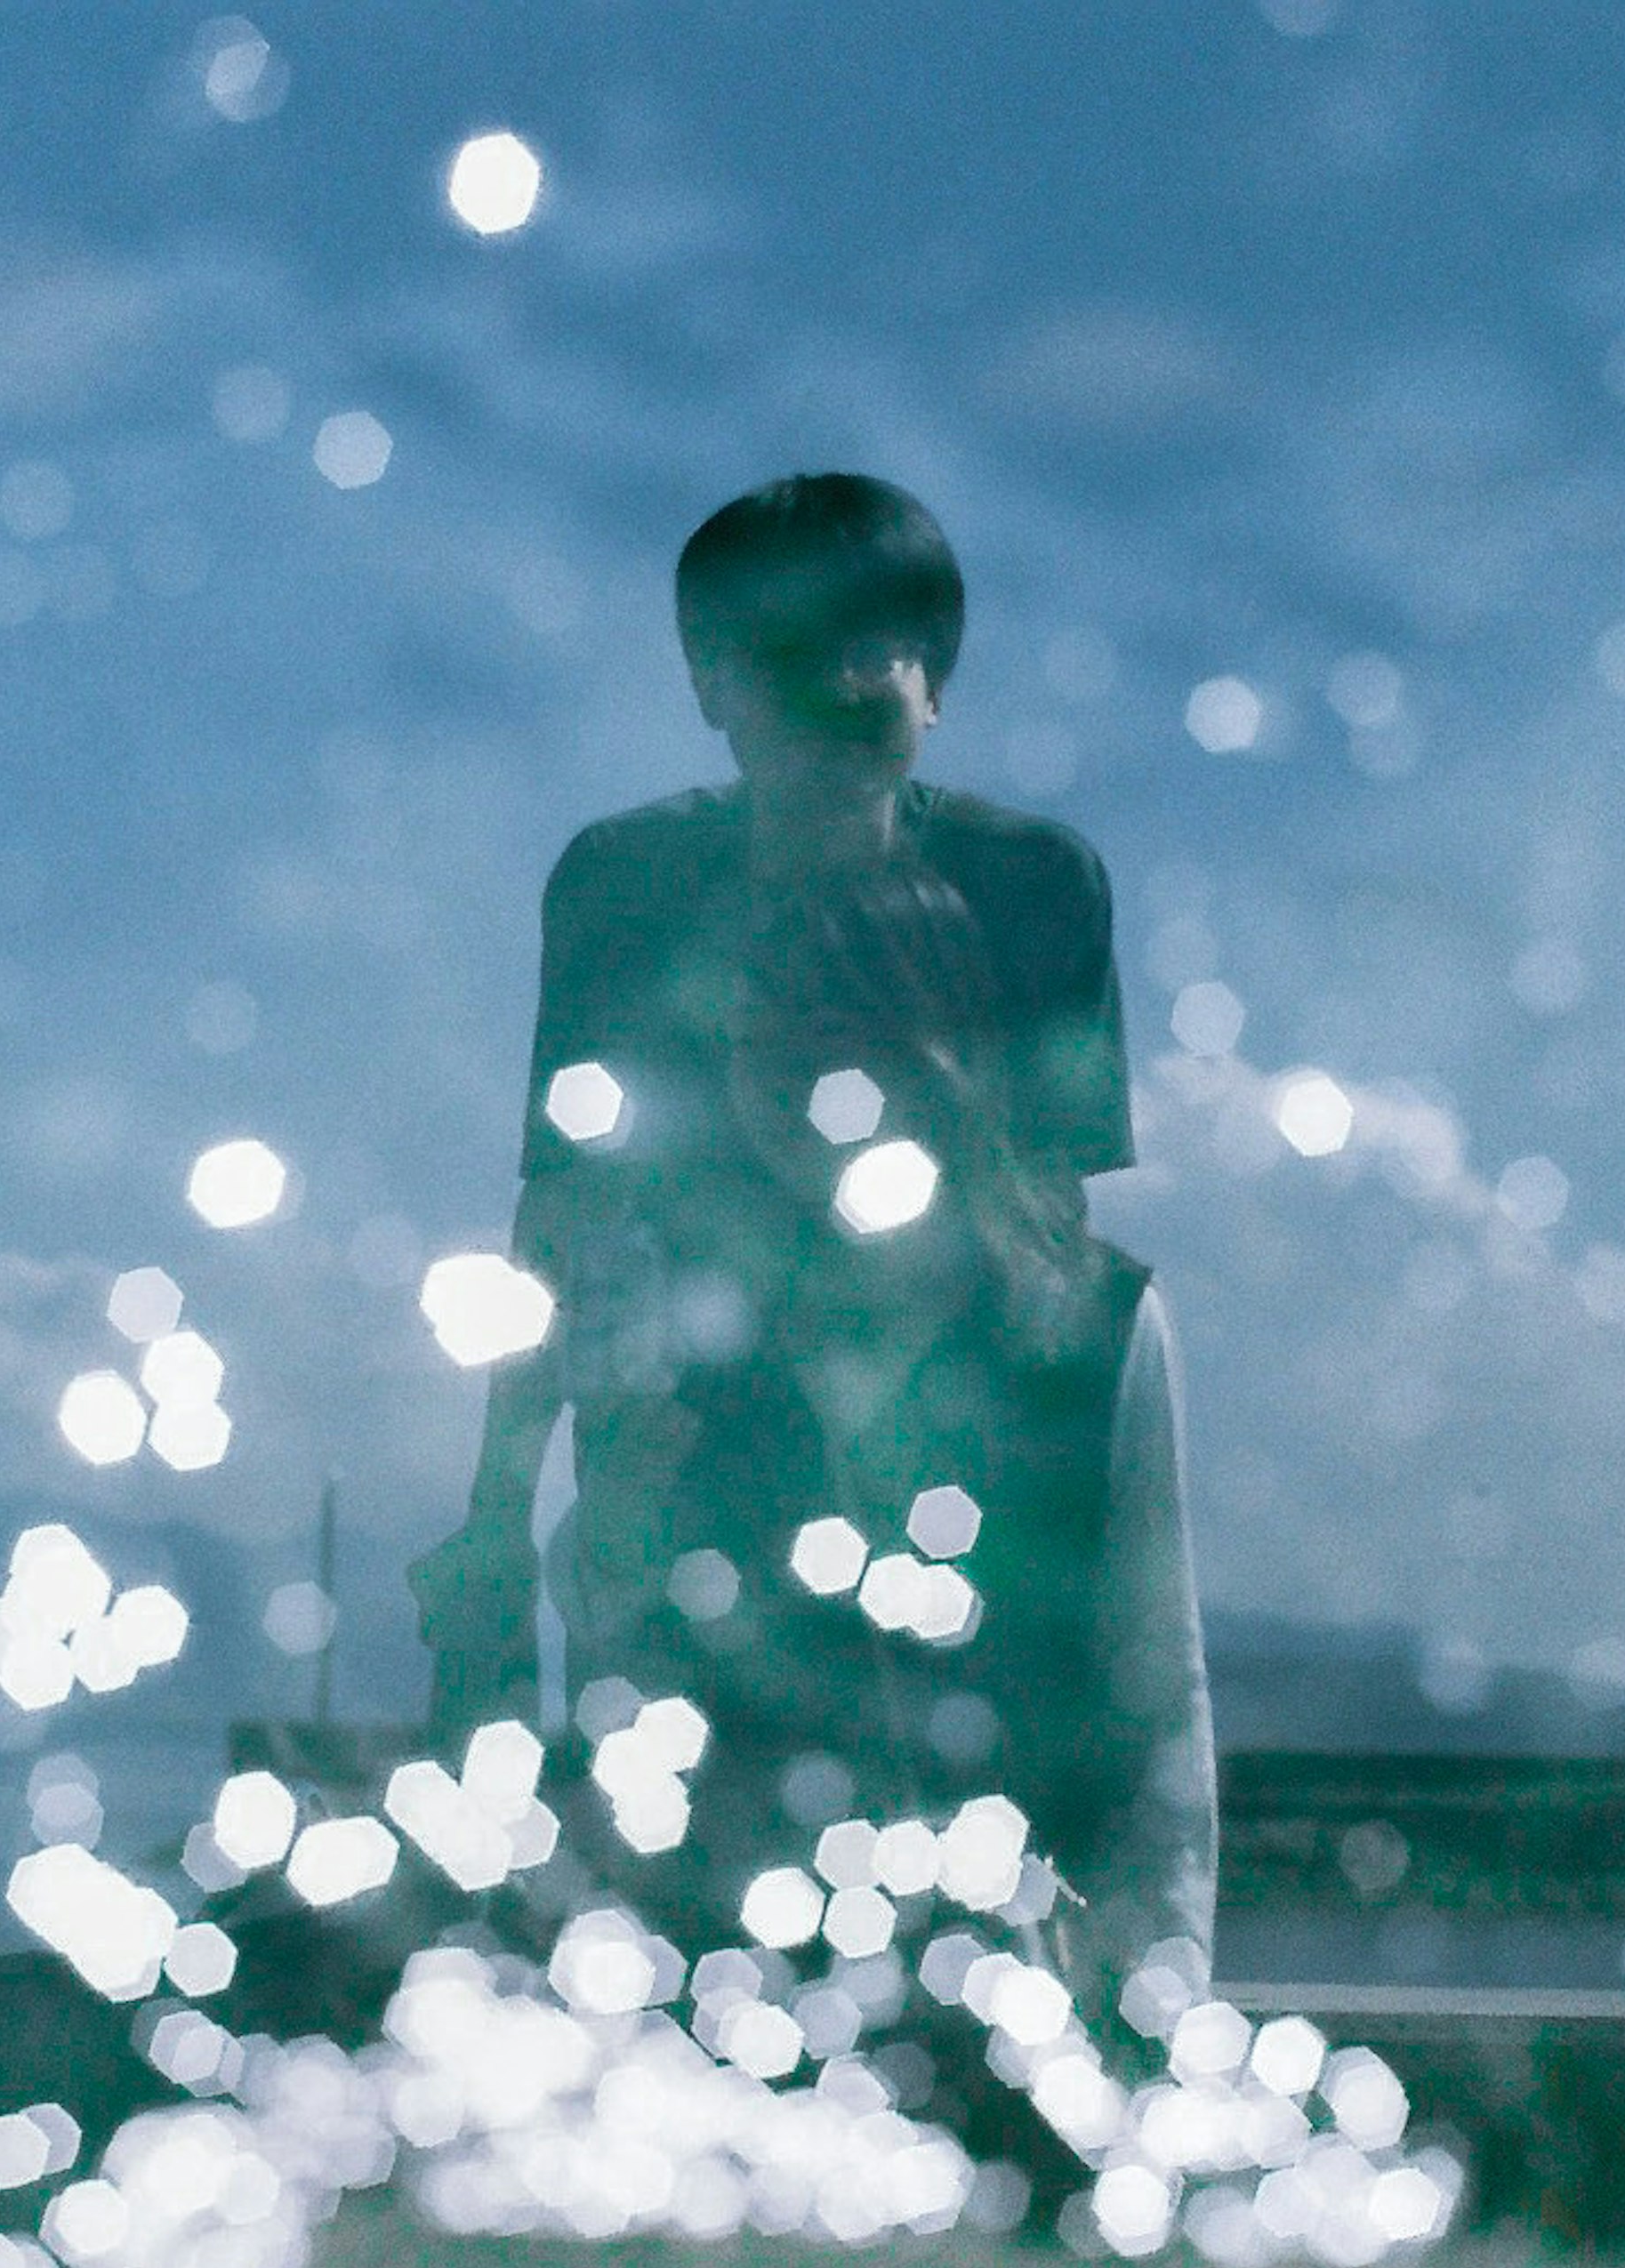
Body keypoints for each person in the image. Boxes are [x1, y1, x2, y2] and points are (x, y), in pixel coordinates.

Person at [411, 472, 1213, 2039]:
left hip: (958, 1364)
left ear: (936, 673)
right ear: (713, 684)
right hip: (717, 1389)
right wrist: (494, 1530)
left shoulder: (1030, 889)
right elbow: (559, 1217)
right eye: (790, 650)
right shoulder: (629, 891)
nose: (847, 680)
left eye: (886, 643)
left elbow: (1052, 1230)